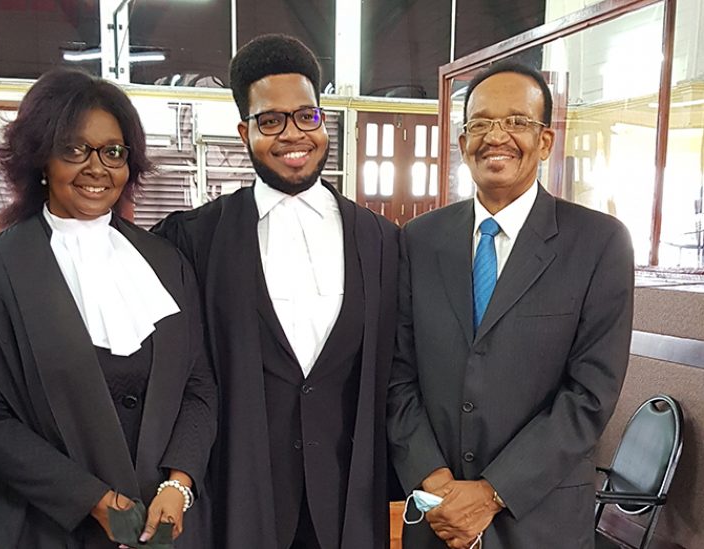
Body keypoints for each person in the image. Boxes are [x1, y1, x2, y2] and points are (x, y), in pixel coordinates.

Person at [0, 68, 217, 549]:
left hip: (165, 528)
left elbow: (198, 387)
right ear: (41, 159)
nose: (97, 168)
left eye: (113, 151)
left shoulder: (165, 262)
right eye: (74, 150)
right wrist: (92, 500)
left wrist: (179, 483)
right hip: (54, 528)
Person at [153, 34, 398, 549]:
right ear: (245, 131)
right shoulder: (195, 240)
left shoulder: (379, 239)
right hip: (240, 492)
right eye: (271, 121)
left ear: (323, 119)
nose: (293, 135)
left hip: (347, 496)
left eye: (306, 116)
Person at [387, 60, 634, 549]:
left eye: (517, 122)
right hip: (437, 522)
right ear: (462, 144)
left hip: (540, 521)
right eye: (480, 124)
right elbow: (397, 375)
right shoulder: (418, 240)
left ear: (544, 141)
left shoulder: (598, 243)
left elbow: (589, 396)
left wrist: (492, 493)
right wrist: (436, 482)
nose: (496, 136)